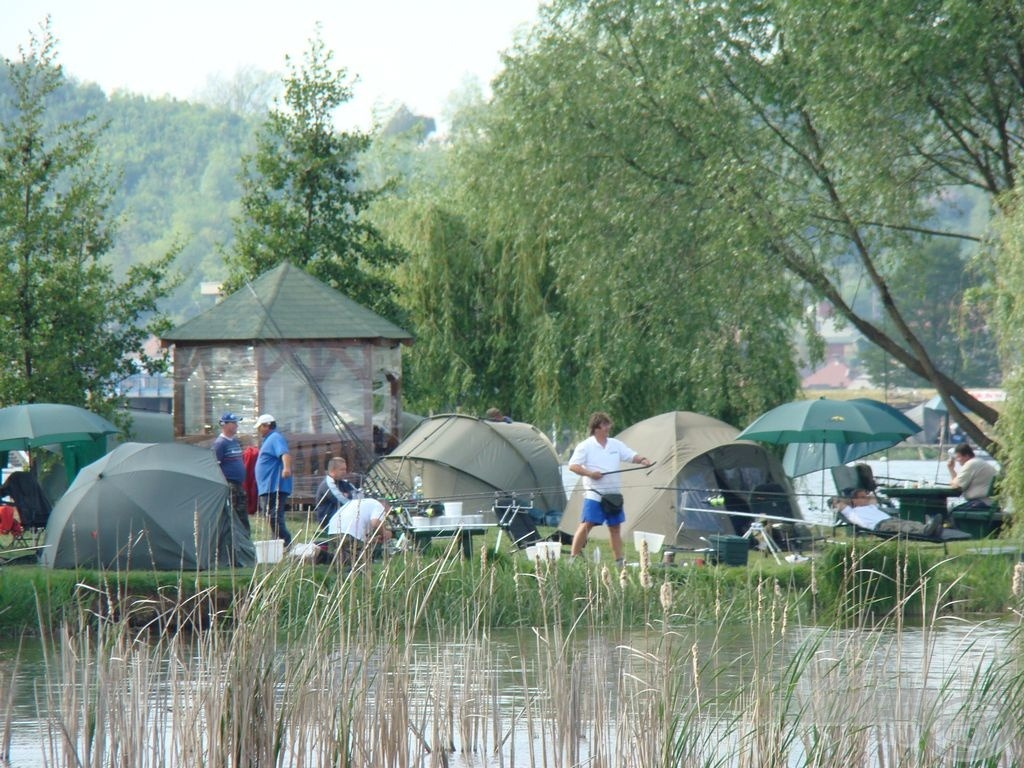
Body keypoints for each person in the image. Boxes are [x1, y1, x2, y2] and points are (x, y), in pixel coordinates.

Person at [568, 411, 651, 568]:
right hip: (594, 493)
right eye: (605, 424)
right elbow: (573, 466)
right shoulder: (585, 446)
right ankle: (573, 557)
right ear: (596, 428)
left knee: (615, 527)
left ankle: (619, 561)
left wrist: (642, 460)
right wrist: (590, 474)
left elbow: (630, 455)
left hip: (613, 494)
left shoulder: (615, 444)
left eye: (608, 424)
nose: (608, 427)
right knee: (587, 523)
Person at [833, 489, 942, 537]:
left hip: (889, 519)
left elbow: (873, 499)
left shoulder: (870, 506)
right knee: (902, 527)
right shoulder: (851, 512)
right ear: (854, 499)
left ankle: (929, 528)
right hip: (880, 525)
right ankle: (926, 530)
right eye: (862, 497)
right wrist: (849, 500)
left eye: (866, 496)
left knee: (908, 522)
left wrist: (864, 497)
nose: (866, 498)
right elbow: (837, 502)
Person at [255, 413, 293, 547]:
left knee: (274, 517)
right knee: (271, 516)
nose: (258, 430)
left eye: (260, 427)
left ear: (267, 426)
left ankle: (287, 543)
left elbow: (285, 454)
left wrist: (286, 468)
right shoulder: (269, 439)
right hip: (267, 486)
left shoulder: (275, 438)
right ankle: (277, 545)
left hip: (274, 485)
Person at [327, 497, 393, 566]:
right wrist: (384, 533)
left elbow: (359, 534)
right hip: (349, 532)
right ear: (386, 507)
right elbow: (375, 523)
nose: (384, 517)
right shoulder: (379, 505)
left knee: (338, 558)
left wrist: (372, 540)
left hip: (333, 530)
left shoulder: (360, 503)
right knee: (364, 560)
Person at [212, 412, 249, 532]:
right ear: (224, 425)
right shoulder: (220, 444)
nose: (236, 425)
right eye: (233, 423)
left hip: (239, 485)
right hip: (230, 485)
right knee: (234, 514)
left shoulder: (235, 442)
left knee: (242, 514)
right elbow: (215, 466)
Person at [946, 443, 997, 509]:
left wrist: (951, 476)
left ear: (966, 456)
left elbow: (956, 485)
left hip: (982, 503)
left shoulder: (970, 464)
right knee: (953, 507)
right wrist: (951, 469)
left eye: (958, 457)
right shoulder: (978, 461)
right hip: (990, 503)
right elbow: (958, 483)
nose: (957, 460)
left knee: (951, 508)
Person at [313, 456, 358, 528]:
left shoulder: (344, 482)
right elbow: (343, 502)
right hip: (329, 522)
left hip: (341, 519)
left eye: (345, 469)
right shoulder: (327, 485)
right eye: (342, 470)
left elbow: (359, 496)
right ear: (332, 471)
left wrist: (348, 495)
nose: (345, 472)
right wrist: (349, 496)